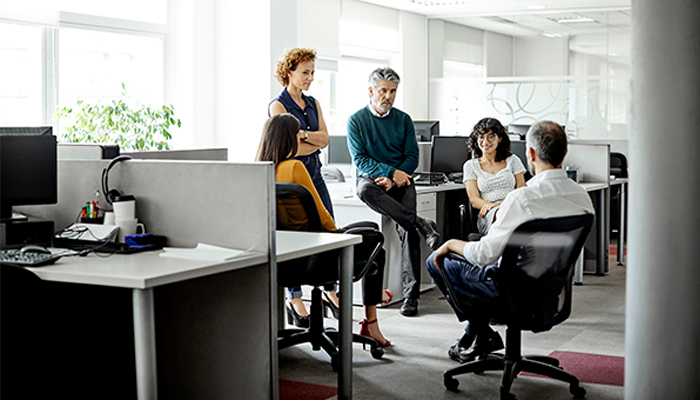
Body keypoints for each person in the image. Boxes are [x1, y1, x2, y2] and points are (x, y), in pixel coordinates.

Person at [426, 121, 594, 363]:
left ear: (531, 154)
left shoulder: (521, 199)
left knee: (436, 261)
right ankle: (479, 334)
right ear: (565, 153)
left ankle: (479, 331)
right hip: (550, 292)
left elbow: (484, 256)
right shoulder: (582, 198)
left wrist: (452, 243)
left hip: (509, 291)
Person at [257, 113, 390, 347]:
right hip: (316, 254)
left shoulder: (261, 169)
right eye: (298, 134)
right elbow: (320, 214)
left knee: (367, 230)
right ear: (289, 138)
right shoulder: (295, 166)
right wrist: (338, 234)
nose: (301, 139)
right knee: (375, 237)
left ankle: (373, 314)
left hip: (287, 256)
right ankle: (371, 322)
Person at [347, 67, 440, 317]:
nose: (388, 96)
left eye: (393, 91)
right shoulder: (356, 120)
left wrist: (396, 177)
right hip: (373, 181)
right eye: (383, 91)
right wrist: (388, 174)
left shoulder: (403, 119)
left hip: (401, 182)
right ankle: (422, 223)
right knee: (364, 190)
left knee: (407, 232)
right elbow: (361, 160)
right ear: (371, 91)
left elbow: (412, 157)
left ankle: (411, 297)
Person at [269, 47, 340, 318]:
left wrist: (304, 137)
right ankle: (295, 298)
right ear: (289, 72)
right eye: (305, 72)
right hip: (291, 175)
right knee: (296, 236)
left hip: (316, 175)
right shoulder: (278, 105)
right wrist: (312, 140)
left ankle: (330, 290)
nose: (310, 77)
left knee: (327, 229)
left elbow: (326, 138)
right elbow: (289, 149)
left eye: (312, 72)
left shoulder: (313, 103)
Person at [463, 118, 526, 235]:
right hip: (488, 214)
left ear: (500, 138)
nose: (485, 142)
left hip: (513, 207)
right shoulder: (470, 166)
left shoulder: (513, 160)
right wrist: (494, 206)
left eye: (491, 136)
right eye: (481, 137)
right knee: (503, 215)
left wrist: (502, 204)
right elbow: (474, 201)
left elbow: (522, 191)